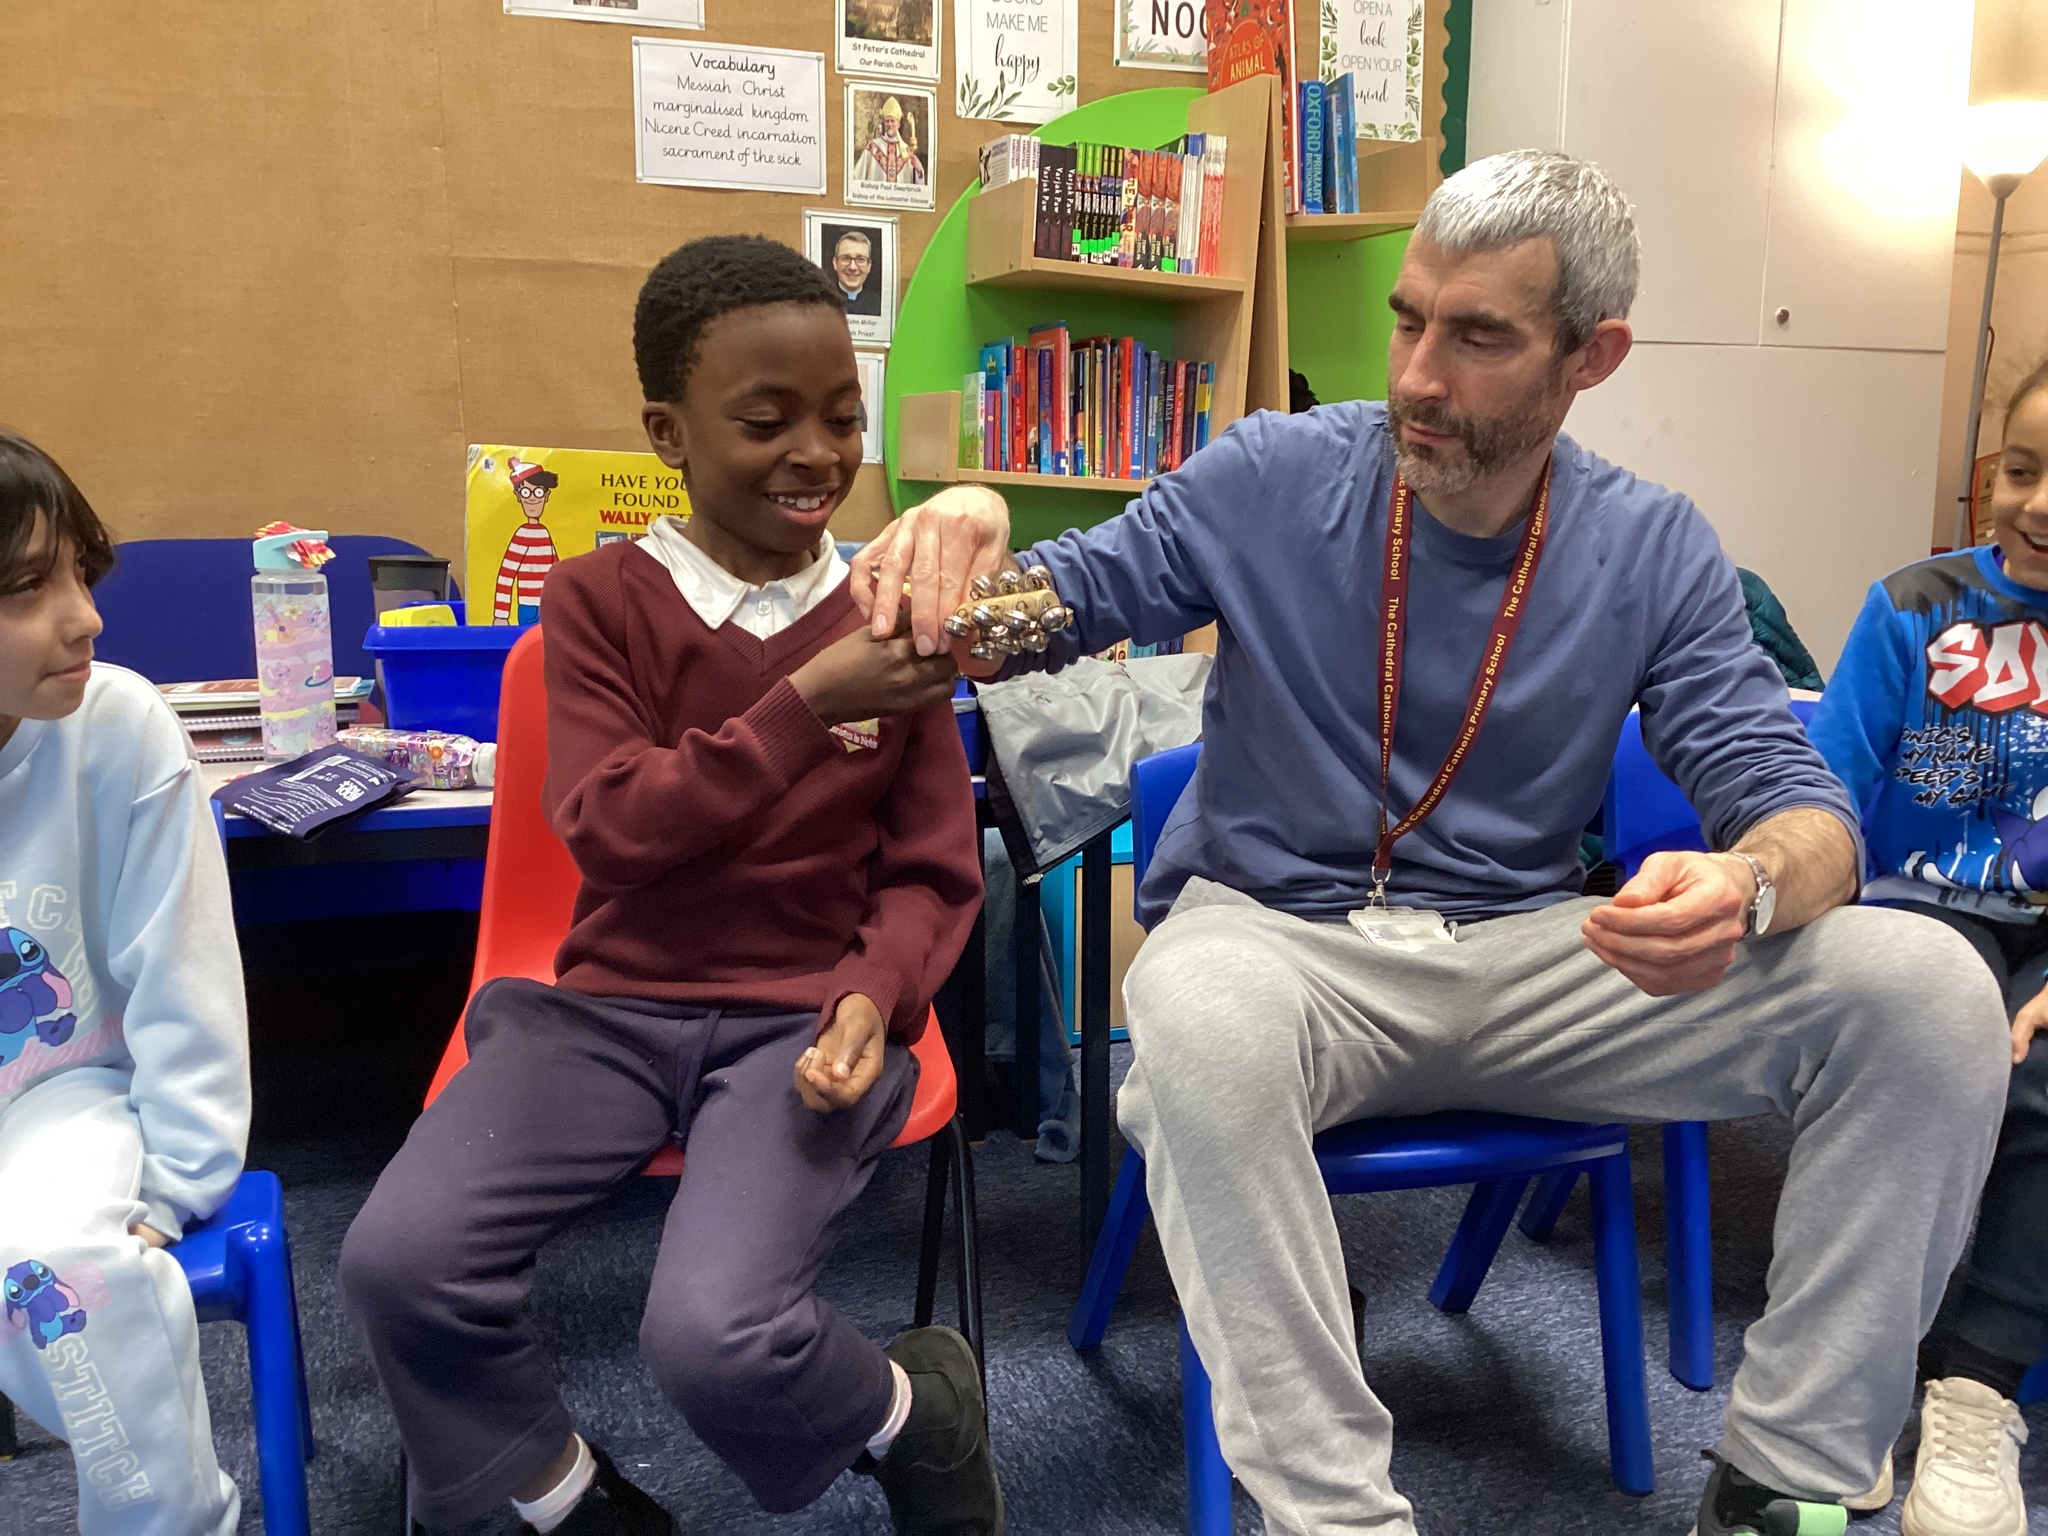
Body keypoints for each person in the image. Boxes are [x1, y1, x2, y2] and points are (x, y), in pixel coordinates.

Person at [854, 150, 2012, 1536]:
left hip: (1535, 962)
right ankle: (1336, 1516)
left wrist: (1748, 880)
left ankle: (1784, 1482)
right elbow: (1040, 611)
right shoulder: (1273, 475)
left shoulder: (1652, 548)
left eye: (1477, 337)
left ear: (1591, 357)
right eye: (1408, 320)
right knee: (1196, 1015)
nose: (1416, 374)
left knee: (1926, 989)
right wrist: (975, 538)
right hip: (1276, 946)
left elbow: (1802, 808)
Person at [339, 235, 1000, 1536]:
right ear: (668, 432)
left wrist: (873, 996)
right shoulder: (597, 603)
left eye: (842, 418)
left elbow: (931, 870)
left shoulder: (893, 617)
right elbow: (615, 829)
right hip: (604, 1011)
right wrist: (810, 702)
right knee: (399, 1262)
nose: (816, 453)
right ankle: (562, 1500)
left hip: (800, 1018)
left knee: (714, 1333)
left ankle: (913, 1412)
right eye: (765, 421)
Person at [1810, 356, 2048, 1536]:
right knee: (1921, 1041)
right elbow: (1824, 789)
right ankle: (1849, 1382)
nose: (2037, 504)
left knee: (2041, 1070)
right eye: (2020, 470)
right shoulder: (1910, 605)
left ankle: (1972, 1387)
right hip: (1919, 905)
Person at [0, 430, 249, 1536]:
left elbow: (185, 973)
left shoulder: (120, 725)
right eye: (27, 588)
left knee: (54, 1270)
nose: (85, 618)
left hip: (61, 1097)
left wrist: (174, 1183)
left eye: (78, 574)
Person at [493, 456, 560, 625]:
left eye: (538, 492)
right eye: (525, 493)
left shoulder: (544, 533)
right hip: (529, 608)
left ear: (546, 496)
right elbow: (506, 575)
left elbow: (556, 570)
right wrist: (501, 615)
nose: (532, 498)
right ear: (518, 496)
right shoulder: (521, 535)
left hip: (549, 605)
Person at [852, 98, 926, 190]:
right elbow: (857, 176)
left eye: (892, 120)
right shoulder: (873, 146)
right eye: (887, 121)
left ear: (898, 124)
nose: (889, 124)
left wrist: (919, 170)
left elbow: (916, 185)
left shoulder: (907, 151)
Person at [832, 229, 882, 316]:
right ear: (835, 263)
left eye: (860, 260)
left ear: (869, 265)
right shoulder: (822, 301)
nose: (853, 267)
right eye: (846, 258)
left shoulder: (879, 304)